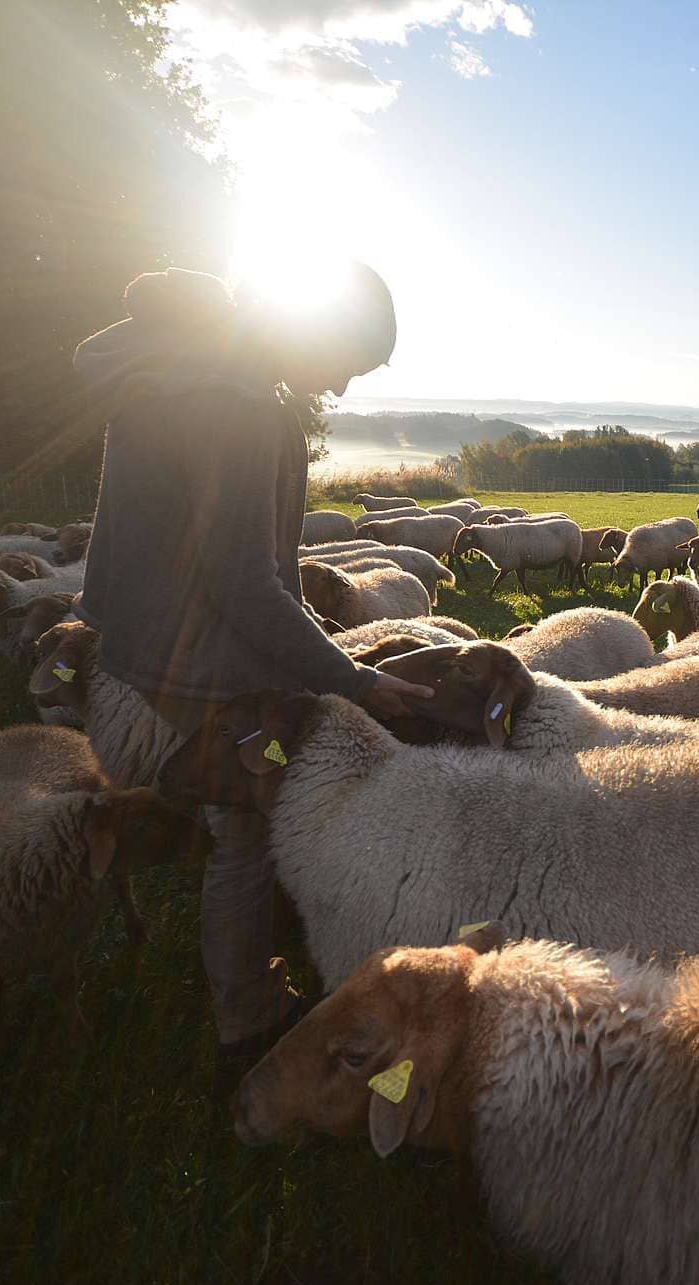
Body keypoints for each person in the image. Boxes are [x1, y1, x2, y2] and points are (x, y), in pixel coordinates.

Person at [70, 263, 430, 1093]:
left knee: (248, 804)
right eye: (345, 360)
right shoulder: (234, 404)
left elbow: (242, 565)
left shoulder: (187, 366)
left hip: (141, 644)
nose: (337, 385)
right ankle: (246, 1023)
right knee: (245, 827)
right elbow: (244, 578)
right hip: (184, 662)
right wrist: (353, 679)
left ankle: (251, 980)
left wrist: (320, 655)